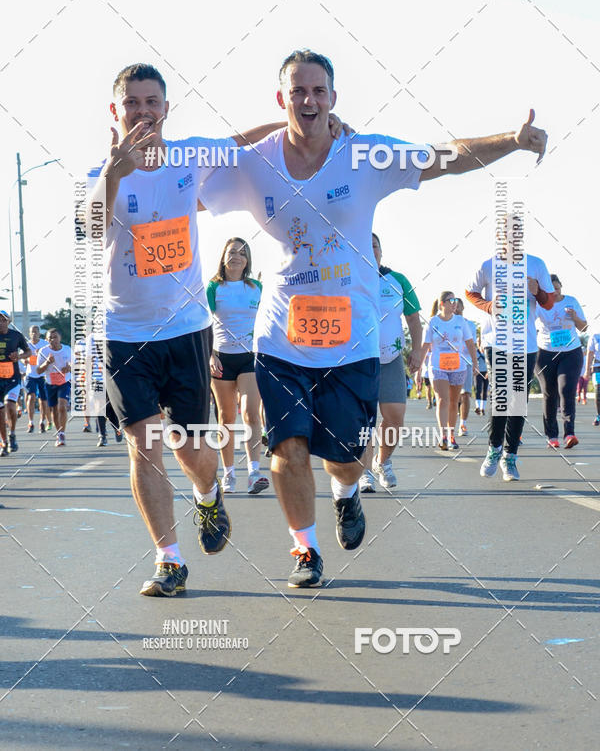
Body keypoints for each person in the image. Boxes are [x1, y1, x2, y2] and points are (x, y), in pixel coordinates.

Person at [199, 48, 547, 587]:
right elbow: (189, 177)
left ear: (334, 98)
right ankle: (304, 550)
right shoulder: (256, 162)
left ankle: (346, 493)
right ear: (281, 98)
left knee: (344, 454)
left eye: (318, 91)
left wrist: (511, 139)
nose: (308, 101)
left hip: (352, 338)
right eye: (297, 91)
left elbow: (445, 157)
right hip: (280, 337)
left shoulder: (365, 155)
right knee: (287, 447)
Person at [88, 62, 347, 598]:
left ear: (165, 109)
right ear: (115, 111)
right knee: (144, 446)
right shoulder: (102, 176)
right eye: (131, 103)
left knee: (190, 450)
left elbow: (243, 145)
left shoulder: (190, 155)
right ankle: (169, 561)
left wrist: (308, 126)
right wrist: (115, 173)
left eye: (151, 102)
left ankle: (209, 493)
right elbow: (86, 235)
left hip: (185, 330)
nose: (142, 112)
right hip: (124, 333)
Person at [467, 249, 555, 481]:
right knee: (500, 394)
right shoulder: (488, 265)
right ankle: (494, 448)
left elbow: (549, 302)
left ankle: (510, 455)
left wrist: (539, 293)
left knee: (518, 399)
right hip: (496, 341)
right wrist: (488, 306)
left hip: (524, 343)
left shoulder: (536, 264)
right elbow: (470, 292)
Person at [359, 232, 422, 492]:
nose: (371, 249)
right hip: (359, 359)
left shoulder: (398, 281)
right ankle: (363, 473)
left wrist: (417, 351)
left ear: (381, 251)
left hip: (391, 358)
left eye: (375, 245)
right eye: (365, 245)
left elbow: (414, 320)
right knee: (364, 420)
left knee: (395, 417)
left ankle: (382, 462)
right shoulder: (349, 280)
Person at [207, 237, 269, 495]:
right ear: (223, 257)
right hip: (221, 358)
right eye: (232, 252)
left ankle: (254, 472)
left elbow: (270, 318)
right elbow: (202, 322)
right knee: (226, 417)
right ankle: (229, 473)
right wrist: (210, 354)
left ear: (247, 261)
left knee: (250, 413)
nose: (236, 257)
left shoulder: (256, 288)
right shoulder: (213, 288)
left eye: (242, 253)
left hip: (249, 358)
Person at [420, 292, 477, 450]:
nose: (454, 303)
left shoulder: (461, 321)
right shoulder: (432, 322)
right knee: (442, 399)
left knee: (454, 401)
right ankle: (443, 435)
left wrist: (475, 363)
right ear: (441, 304)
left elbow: (470, 343)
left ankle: (452, 435)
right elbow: (425, 346)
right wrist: (419, 369)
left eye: (455, 300)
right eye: (451, 300)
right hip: (438, 366)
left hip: (458, 366)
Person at [535, 274, 587, 449]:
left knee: (566, 390)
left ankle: (569, 433)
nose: (555, 292)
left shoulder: (571, 301)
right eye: (551, 289)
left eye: (557, 288)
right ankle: (552, 435)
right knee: (549, 393)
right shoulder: (538, 305)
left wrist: (575, 317)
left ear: (561, 287)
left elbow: (584, 327)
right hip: (545, 353)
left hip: (570, 352)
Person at [0, 311, 30, 454]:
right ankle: (4, 443)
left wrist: (19, 356)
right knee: (0, 414)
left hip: (12, 378)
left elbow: (29, 352)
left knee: (10, 406)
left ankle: (12, 434)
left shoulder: (16, 336)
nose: (1, 322)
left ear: (8, 321)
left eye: (3, 320)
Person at [37, 329, 71, 447]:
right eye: (50, 338)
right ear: (46, 340)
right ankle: (59, 432)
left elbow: (74, 364)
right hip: (50, 383)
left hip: (64, 382)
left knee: (62, 406)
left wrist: (69, 368)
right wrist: (47, 362)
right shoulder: (43, 351)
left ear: (60, 338)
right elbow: (38, 370)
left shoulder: (67, 349)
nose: (53, 340)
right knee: (54, 410)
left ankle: (62, 433)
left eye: (55, 337)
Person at [454, 298, 477, 435]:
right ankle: (453, 418)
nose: (456, 309)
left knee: (466, 394)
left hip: (466, 362)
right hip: (451, 363)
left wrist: (475, 363)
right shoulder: (447, 323)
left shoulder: (470, 325)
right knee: (454, 396)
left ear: (463, 308)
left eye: (458, 306)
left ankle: (463, 424)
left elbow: (471, 345)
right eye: (453, 306)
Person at [25, 325, 49, 433]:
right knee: (31, 397)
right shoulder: (26, 345)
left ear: (39, 333)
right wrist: (24, 361)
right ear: (29, 334)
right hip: (31, 375)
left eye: (36, 332)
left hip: (42, 375)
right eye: (32, 332)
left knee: (43, 400)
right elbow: (22, 357)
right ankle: (30, 422)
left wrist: (41, 353)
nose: (34, 334)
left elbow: (50, 356)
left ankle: (42, 421)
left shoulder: (44, 344)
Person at [585, 333, 600, 425]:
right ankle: (599, 415)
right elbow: (590, 353)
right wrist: (587, 370)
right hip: (597, 367)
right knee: (598, 391)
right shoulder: (595, 337)